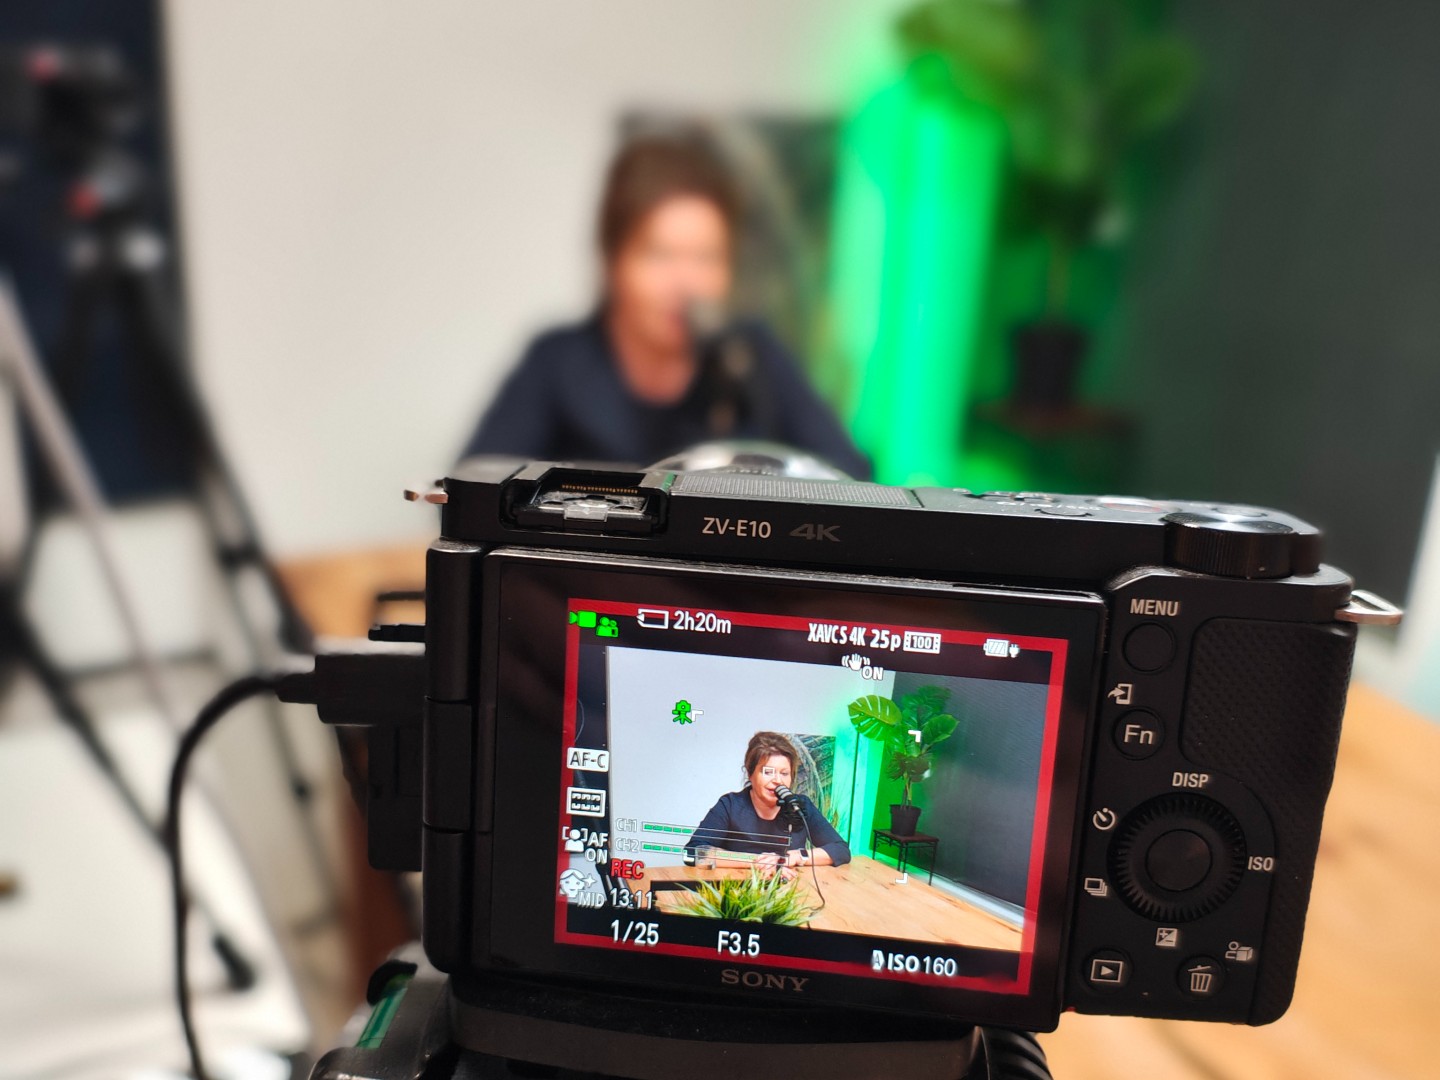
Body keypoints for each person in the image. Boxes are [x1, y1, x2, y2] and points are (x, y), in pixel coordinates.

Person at [459, 133, 870, 477]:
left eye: (706, 258)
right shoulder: (557, 361)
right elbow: (475, 487)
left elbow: (850, 479)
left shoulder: (751, 358)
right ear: (613, 260)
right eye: (659, 255)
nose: (685, 283)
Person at [686, 731, 850, 878]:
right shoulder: (730, 805)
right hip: (738, 890)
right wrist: (758, 862)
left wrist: (794, 857)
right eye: (768, 772)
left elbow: (840, 850)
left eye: (784, 773)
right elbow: (693, 852)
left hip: (790, 889)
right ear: (750, 774)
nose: (777, 780)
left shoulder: (800, 806)